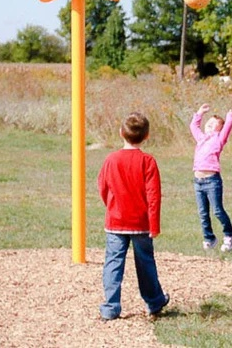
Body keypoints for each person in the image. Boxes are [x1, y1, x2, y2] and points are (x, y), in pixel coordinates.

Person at [98, 111, 170, 321]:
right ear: (146, 136)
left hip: (115, 222)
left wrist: (111, 206)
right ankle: (154, 302)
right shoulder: (147, 161)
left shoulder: (111, 159)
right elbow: (154, 196)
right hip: (141, 224)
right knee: (145, 262)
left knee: (113, 263)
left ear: (121, 132)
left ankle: (111, 307)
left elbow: (102, 187)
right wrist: (154, 225)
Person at [189, 103, 232, 252]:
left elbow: (227, 130)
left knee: (217, 210)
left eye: (213, 124)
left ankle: (229, 235)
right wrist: (200, 113)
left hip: (212, 181)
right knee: (203, 212)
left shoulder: (219, 139)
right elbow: (193, 127)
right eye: (208, 123)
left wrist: (229, 118)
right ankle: (209, 238)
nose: (209, 125)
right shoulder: (201, 139)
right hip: (198, 182)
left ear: (219, 128)